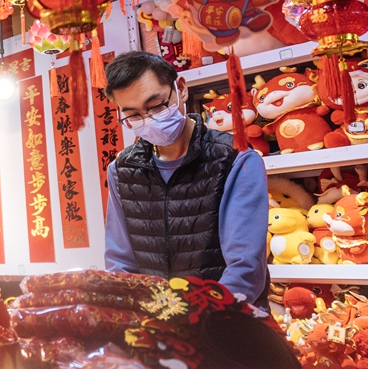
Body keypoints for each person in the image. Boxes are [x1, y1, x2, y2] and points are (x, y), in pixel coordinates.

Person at [102, 51, 269, 304]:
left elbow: (245, 268)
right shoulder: (122, 170)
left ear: (180, 89)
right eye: (133, 115)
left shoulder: (236, 159)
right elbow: (120, 263)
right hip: (157, 328)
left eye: (156, 105)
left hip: (230, 323)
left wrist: (194, 319)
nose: (148, 120)